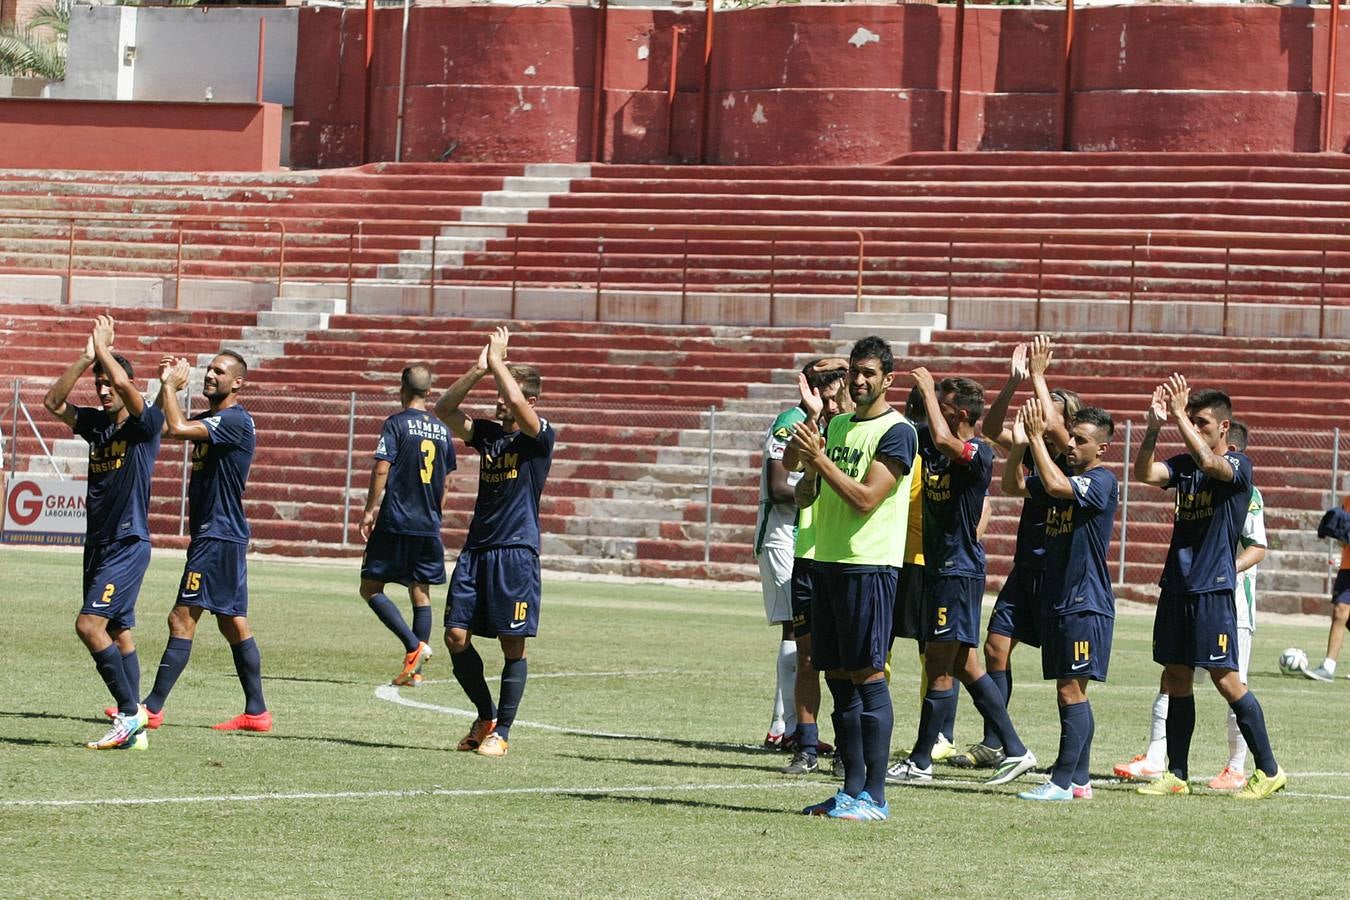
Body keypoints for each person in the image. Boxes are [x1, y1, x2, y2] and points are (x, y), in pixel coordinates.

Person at [1133, 376, 1285, 799]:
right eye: (1192, 421)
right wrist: (1152, 427)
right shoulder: (1184, 466)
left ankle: (1268, 769)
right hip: (1178, 585)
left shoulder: (1239, 468)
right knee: (1177, 675)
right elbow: (1144, 472)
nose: (1195, 429)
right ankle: (1177, 774)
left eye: (1202, 422)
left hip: (1213, 589)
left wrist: (1179, 415)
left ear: (1224, 427)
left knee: (1226, 680)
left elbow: (1212, 465)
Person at [887, 368, 1037, 788]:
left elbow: (941, 439)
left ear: (963, 413)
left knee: (940, 667)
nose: (934, 407)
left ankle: (920, 761)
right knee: (967, 667)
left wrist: (927, 393)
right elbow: (919, 434)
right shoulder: (935, 450)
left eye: (944, 403)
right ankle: (1017, 750)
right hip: (940, 570)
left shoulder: (977, 453)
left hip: (958, 571)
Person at [789, 336, 917, 821]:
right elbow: (804, 490)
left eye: (869, 373)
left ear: (887, 379)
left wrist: (819, 461)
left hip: (869, 566)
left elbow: (866, 498)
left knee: (868, 677)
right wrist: (808, 461)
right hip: (828, 562)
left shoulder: (898, 431)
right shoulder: (839, 425)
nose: (859, 381)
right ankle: (850, 791)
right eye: (854, 373)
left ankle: (876, 797)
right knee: (839, 679)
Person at [955, 335, 1080, 770]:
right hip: (1025, 568)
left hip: (1060, 575)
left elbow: (1061, 438)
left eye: (1046, 410)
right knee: (994, 649)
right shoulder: (1030, 447)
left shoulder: (1071, 457)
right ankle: (996, 742)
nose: (1036, 414)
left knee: (1066, 675)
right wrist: (1013, 383)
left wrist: (1042, 378)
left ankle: (1070, 763)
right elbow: (990, 431)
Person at [433, 326, 554, 759]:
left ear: (531, 401)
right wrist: (479, 369)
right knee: (454, 637)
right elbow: (444, 409)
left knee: (511, 643)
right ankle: (485, 716)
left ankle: (502, 731)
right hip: (477, 550)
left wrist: (501, 363)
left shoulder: (539, 436)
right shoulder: (487, 434)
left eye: (506, 391)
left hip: (516, 553)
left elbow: (520, 406)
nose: (500, 398)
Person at [44, 316, 163, 750]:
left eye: (110, 382)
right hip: (97, 544)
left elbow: (131, 393)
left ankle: (130, 714)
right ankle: (137, 724)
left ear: (128, 383)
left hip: (128, 543)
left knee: (89, 625)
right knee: (117, 633)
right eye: (100, 384)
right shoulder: (96, 425)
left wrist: (109, 353)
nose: (104, 389)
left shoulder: (145, 424)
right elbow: (53, 403)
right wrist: (86, 357)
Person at [140, 350, 270, 733]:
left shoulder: (234, 420)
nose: (210, 375)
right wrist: (164, 389)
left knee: (181, 618)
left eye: (219, 371)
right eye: (209, 369)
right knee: (233, 625)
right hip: (220, 535)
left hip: (217, 536)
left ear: (238, 382)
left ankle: (152, 708)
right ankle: (257, 712)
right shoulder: (216, 419)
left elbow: (177, 429)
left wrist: (169, 388)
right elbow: (166, 428)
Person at [1003, 401, 1117, 801]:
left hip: (1084, 603)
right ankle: (1080, 779)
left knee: (1071, 691)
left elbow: (1053, 487)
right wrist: (1020, 446)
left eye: (1080, 440)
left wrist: (1036, 437)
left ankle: (1062, 781)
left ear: (1101, 449)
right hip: (1061, 599)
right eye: (1071, 437)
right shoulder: (1063, 474)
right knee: (1069, 691)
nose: (1071, 445)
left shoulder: (1101, 481)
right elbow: (1014, 486)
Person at [755, 359, 842, 751]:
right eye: (835, 385)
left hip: (807, 538)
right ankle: (785, 727)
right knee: (796, 627)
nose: (841, 393)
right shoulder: (791, 420)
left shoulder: (831, 425)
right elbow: (777, 487)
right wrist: (828, 494)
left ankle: (783, 725)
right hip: (782, 535)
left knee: (804, 629)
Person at [359, 364, 454, 687]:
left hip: (397, 518)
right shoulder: (443, 431)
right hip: (428, 523)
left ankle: (414, 647)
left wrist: (370, 509)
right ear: (429, 392)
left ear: (402, 388)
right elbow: (447, 480)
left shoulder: (396, 424)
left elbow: (382, 467)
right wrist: (435, 516)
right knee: (420, 591)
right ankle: (416, 671)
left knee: (370, 587)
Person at [776, 359, 849, 776]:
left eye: (837, 385)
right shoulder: (814, 425)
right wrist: (810, 418)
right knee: (807, 657)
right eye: (828, 388)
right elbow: (788, 465)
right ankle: (805, 746)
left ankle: (845, 747)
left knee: (843, 662)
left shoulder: (859, 431)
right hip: (808, 555)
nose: (833, 394)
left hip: (844, 557)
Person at [1305, 492, 1350, 683]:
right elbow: (1344, 541)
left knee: (1342, 613)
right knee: (1341, 613)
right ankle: (1328, 667)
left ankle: (1328, 666)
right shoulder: (1348, 500)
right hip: (1348, 566)